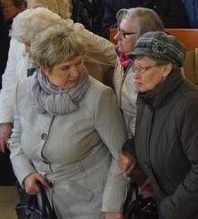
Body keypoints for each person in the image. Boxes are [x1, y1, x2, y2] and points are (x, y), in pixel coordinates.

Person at [118, 31, 198, 217]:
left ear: (166, 69)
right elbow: (158, 135)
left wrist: (171, 208)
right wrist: (132, 150)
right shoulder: (150, 98)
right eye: (134, 68)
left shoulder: (191, 106)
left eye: (143, 69)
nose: (135, 76)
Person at [9, 21, 128, 218]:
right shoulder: (23, 89)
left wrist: (113, 205)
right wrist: (26, 174)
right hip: (44, 203)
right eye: (65, 67)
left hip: (91, 204)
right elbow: (16, 139)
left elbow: (121, 155)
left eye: (79, 62)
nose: (76, 72)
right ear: (45, 68)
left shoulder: (98, 96)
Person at [111, 8, 165, 138]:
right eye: (118, 30)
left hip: (146, 139)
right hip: (124, 132)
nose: (116, 37)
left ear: (144, 37)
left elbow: (158, 121)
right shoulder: (122, 56)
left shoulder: (157, 68)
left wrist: (132, 148)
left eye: (123, 33)